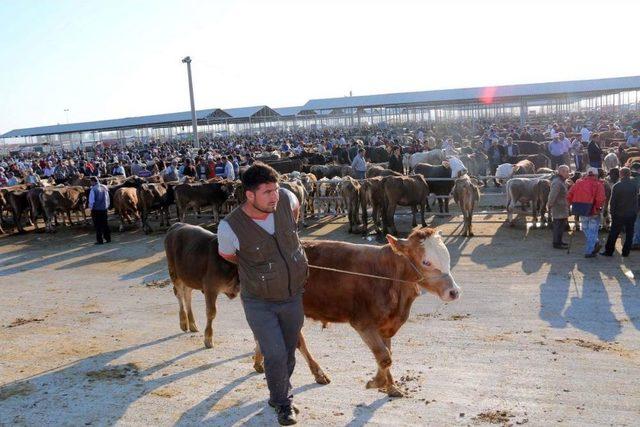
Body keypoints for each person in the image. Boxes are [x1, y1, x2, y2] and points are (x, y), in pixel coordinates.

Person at [217, 163, 307, 426]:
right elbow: (228, 255)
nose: (274, 196)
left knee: (289, 351)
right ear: (250, 195)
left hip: (292, 295)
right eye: (267, 192)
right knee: (275, 353)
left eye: (275, 189)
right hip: (259, 301)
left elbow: (294, 215)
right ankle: (282, 403)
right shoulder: (230, 227)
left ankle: (278, 391)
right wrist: (263, 270)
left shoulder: (288, 199)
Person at [567, 167, 606, 258]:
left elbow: (569, 195)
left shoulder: (578, 183)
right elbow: (600, 199)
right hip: (593, 211)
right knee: (592, 231)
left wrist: (570, 205)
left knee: (585, 228)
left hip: (581, 210)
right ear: (596, 175)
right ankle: (589, 251)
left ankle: (595, 243)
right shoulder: (598, 184)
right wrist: (598, 208)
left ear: (587, 174)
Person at [601, 167, 638, 257]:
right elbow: (636, 200)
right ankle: (626, 252)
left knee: (614, 233)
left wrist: (612, 213)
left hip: (619, 213)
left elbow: (613, 201)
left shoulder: (617, 186)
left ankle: (609, 251)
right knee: (629, 233)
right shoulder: (634, 185)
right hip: (631, 213)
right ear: (629, 174)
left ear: (621, 174)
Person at [547, 165, 570, 249]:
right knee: (558, 225)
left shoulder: (562, 181)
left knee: (561, 225)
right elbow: (552, 195)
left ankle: (559, 241)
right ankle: (556, 243)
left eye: (568, 171)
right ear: (561, 172)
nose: (568, 173)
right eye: (566, 171)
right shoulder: (557, 182)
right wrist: (550, 204)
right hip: (558, 207)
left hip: (562, 206)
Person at [88, 176, 111, 245]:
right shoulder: (104, 187)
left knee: (98, 225)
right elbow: (107, 198)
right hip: (104, 209)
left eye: (91, 181)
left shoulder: (93, 189)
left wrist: (91, 209)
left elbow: (91, 201)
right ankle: (108, 238)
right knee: (105, 224)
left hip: (96, 210)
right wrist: (107, 206)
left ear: (93, 181)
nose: (90, 183)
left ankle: (100, 240)